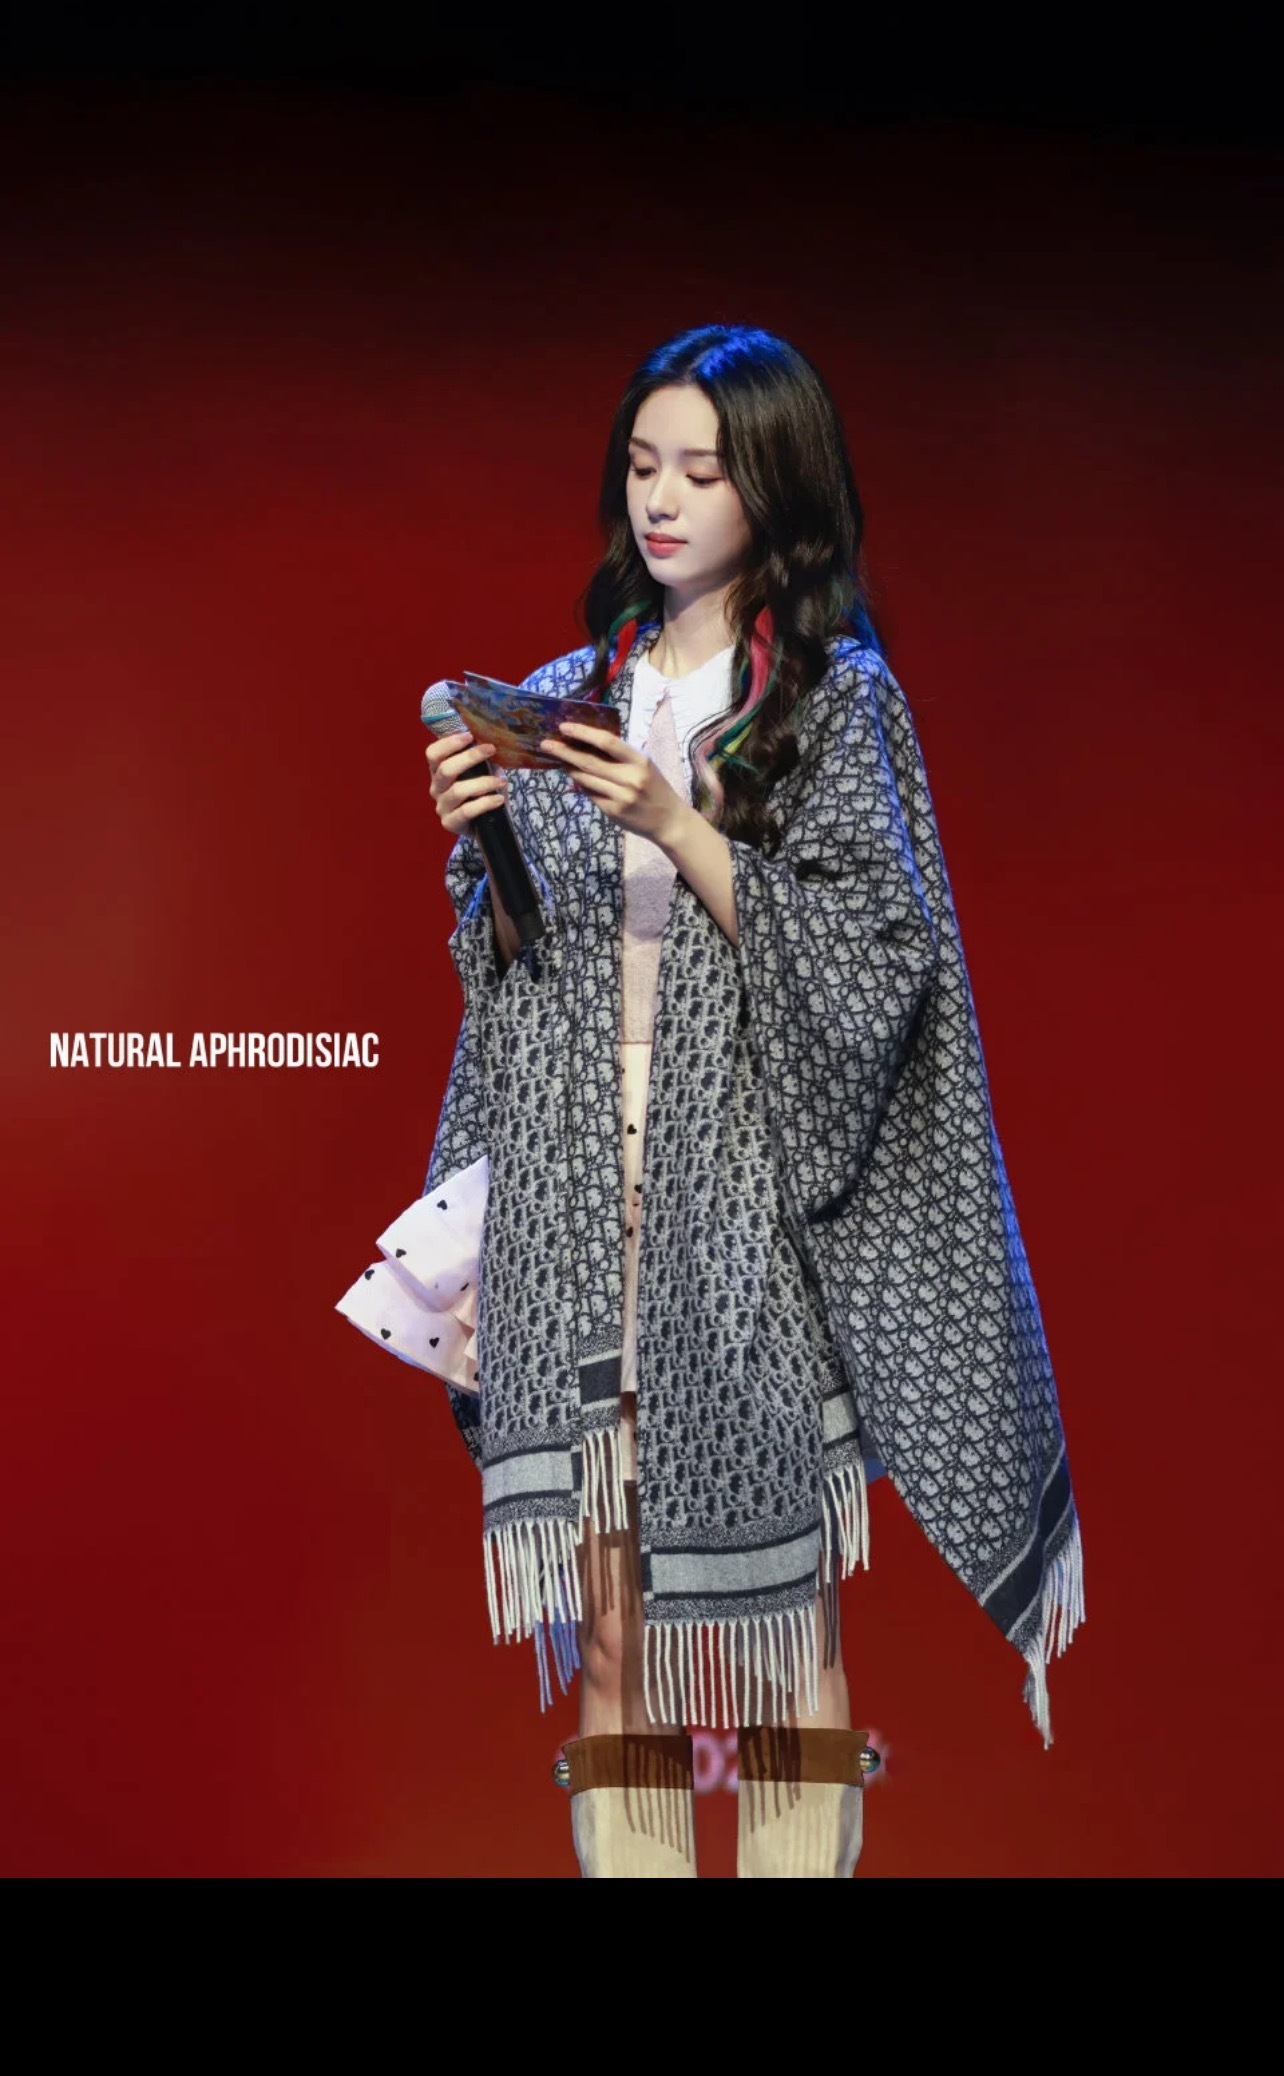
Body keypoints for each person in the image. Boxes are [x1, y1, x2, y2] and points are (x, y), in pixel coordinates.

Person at [418, 324, 1084, 1879]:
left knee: (783, 1644)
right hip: (583, 1226)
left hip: (748, 1234)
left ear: (773, 486)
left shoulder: (835, 705)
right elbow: (521, 990)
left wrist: (675, 819)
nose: (660, 500)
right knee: (613, 1641)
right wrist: (491, 839)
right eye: (642, 466)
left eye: (701, 472)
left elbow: (876, 967)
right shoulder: (569, 694)